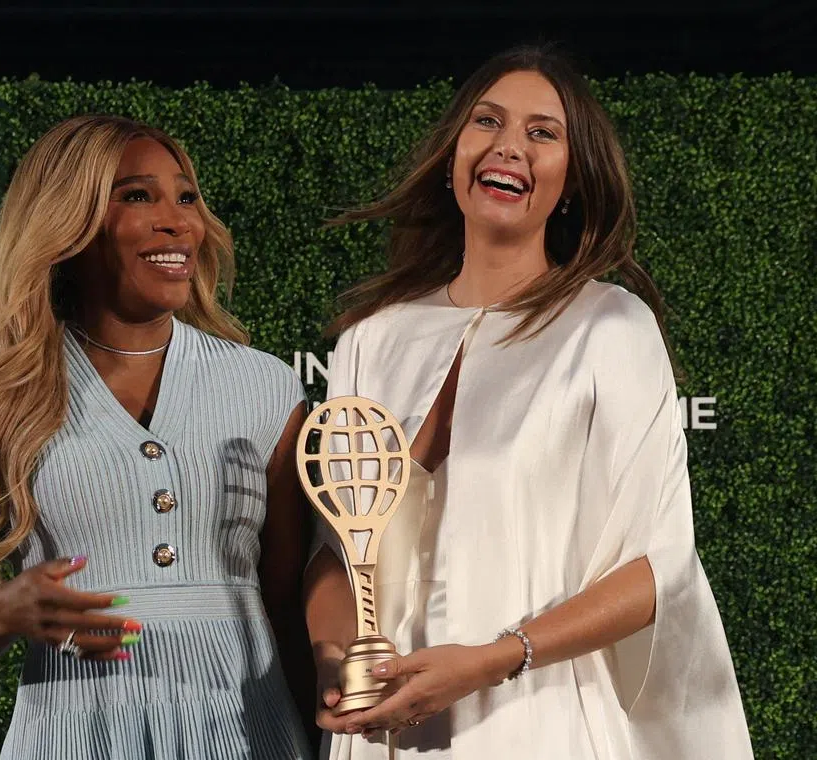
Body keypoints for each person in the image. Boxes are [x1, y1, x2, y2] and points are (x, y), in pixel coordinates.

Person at [303, 45, 753, 759]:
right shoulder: (371, 340)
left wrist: (495, 658)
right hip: (383, 728)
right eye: (487, 121)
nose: (508, 145)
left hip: (537, 719)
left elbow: (656, 569)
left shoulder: (609, 328)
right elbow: (334, 550)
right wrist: (336, 658)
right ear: (455, 156)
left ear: (571, 184)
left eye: (543, 133)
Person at [0, 114, 314, 759]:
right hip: (74, 732)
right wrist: (10, 610)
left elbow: (286, 602)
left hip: (248, 731)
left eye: (186, 197)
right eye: (137, 196)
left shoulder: (264, 388)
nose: (177, 221)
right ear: (69, 223)